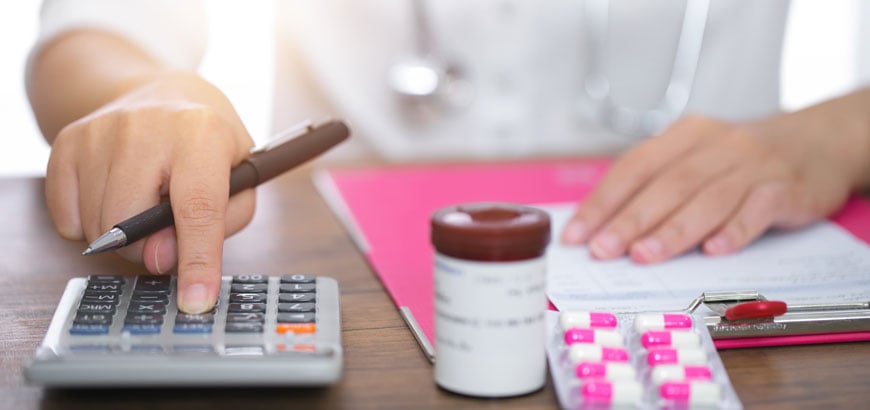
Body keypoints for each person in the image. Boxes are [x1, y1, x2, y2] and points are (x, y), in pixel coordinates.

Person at [26, 0, 870, 313]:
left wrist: (842, 130)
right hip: (346, 278)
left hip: (738, 251)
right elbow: (92, 29)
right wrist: (143, 91)